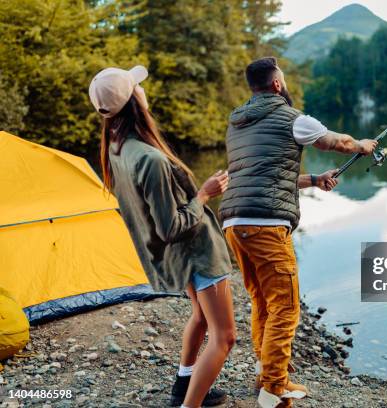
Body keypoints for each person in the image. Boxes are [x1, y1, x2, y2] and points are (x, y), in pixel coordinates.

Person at [219, 57, 378, 408]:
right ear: (277, 84)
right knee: (286, 307)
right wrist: (361, 145)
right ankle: (274, 388)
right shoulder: (293, 118)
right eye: (284, 80)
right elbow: (334, 142)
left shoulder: (238, 124)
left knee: (262, 301)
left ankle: (266, 376)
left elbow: (264, 174)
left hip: (234, 222)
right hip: (265, 223)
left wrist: (314, 180)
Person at [89, 66, 236, 408]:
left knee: (200, 316)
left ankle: (183, 386)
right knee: (225, 337)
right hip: (196, 252)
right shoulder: (149, 158)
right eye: (137, 87)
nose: (143, 90)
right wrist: (204, 194)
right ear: (134, 102)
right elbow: (170, 227)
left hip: (178, 256)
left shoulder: (116, 147)